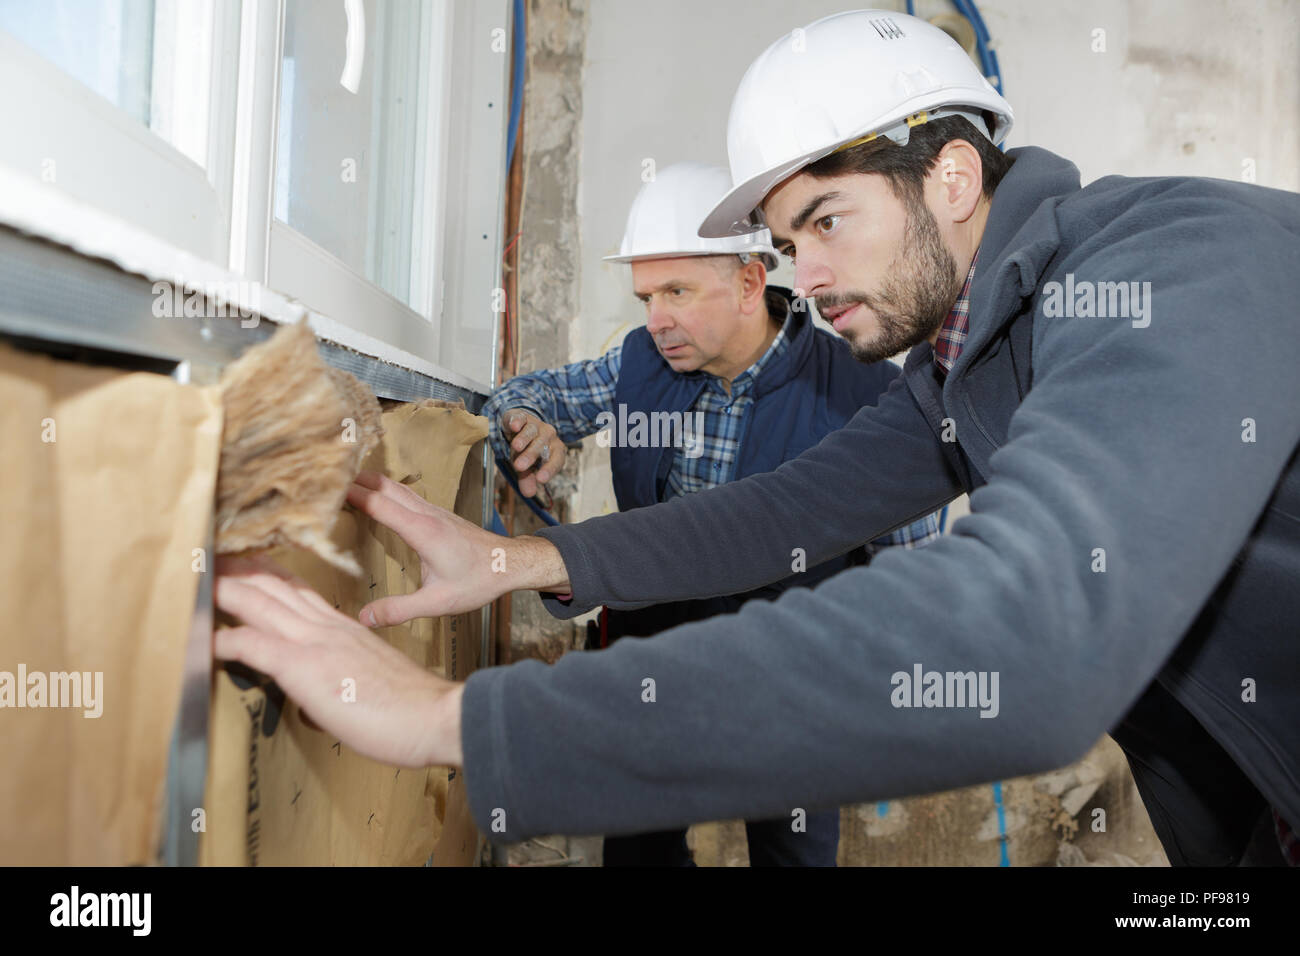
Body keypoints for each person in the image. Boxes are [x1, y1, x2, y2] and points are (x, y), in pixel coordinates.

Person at [214, 9, 1300, 866]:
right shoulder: (964, 363)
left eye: (827, 220)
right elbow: (786, 510)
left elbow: (1026, 634)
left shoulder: (1172, 265)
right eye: (788, 243)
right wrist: (523, 559)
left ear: (953, 178)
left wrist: (456, 719)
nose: (805, 276)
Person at [478, 160, 939, 866]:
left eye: (677, 292)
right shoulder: (639, 364)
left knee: (792, 855)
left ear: (750, 282)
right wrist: (526, 422)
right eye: (645, 297)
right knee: (639, 851)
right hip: (654, 663)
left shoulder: (865, 393)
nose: (656, 320)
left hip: (791, 684)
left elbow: (911, 578)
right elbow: (525, 396)